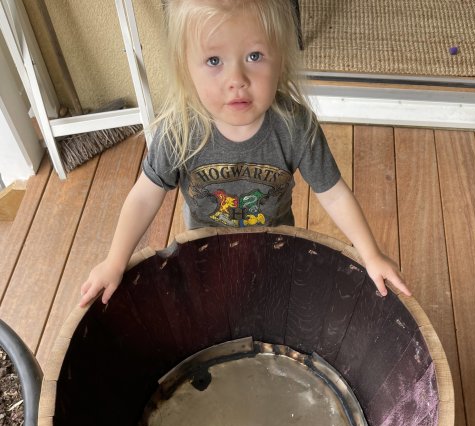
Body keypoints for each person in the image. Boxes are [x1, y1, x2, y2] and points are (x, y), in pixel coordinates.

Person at [80, 0, 411, 308]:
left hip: (274, 250)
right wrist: (114, 261)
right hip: (205, 254)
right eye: (214, 61)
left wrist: (370, 254)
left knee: (274, 310)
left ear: (280, 56)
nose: (236, 80)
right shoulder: (180, 129)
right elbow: (143, 197)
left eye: (254, 56)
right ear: (186, 67)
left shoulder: (294, 126)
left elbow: (334, 195)